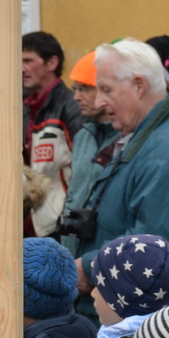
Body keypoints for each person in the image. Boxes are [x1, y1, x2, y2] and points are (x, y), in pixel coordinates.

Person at [74, 39, 169, 303]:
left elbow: (156, 247)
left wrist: (89, 267)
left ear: (139, 86)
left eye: (106, 90)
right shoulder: (150, 138)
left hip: (156, 324)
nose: (99, 101)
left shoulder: (166, 150)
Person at [21, 31, 84, 238]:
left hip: (59, 226)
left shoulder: (71, 106)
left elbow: (83, 167)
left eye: (28, 61)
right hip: (31, 223)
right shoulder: (22, 106)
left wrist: (66, 215)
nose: (21, 68)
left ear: (52, 63)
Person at [59, 50, 118, 263]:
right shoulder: (84, 135)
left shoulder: (129, 137)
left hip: (108, 260)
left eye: (84, 89)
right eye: (75, 89)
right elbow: (73, 195)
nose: (76, 97)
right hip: (75, 257)